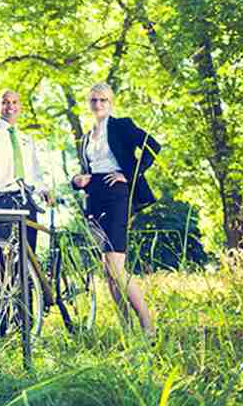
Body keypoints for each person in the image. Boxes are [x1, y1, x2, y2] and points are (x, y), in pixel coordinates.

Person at [71, 82, 161, 336]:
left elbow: (153, 146)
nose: (98, 105)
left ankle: (148, 327)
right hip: (94, 198)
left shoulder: (122, 126)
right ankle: (127, 331)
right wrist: (77, 180)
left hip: (117, 195)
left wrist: (128, 175)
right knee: (108, 271)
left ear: (110, 103)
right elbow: (87, 170)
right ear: (89, 104)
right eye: (94, 101)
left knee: (115, 265)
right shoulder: (86, 137)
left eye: (103, 100)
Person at [0, 89, 50, 335]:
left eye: (14, 102)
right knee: (0, 260)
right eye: (5, 103)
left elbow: (36, 171)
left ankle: (26, 322)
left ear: (20, 107)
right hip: (1, 199)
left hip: (27, 199)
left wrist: (44, 189)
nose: (10, 106)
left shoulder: (27, 139)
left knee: (26, 261)